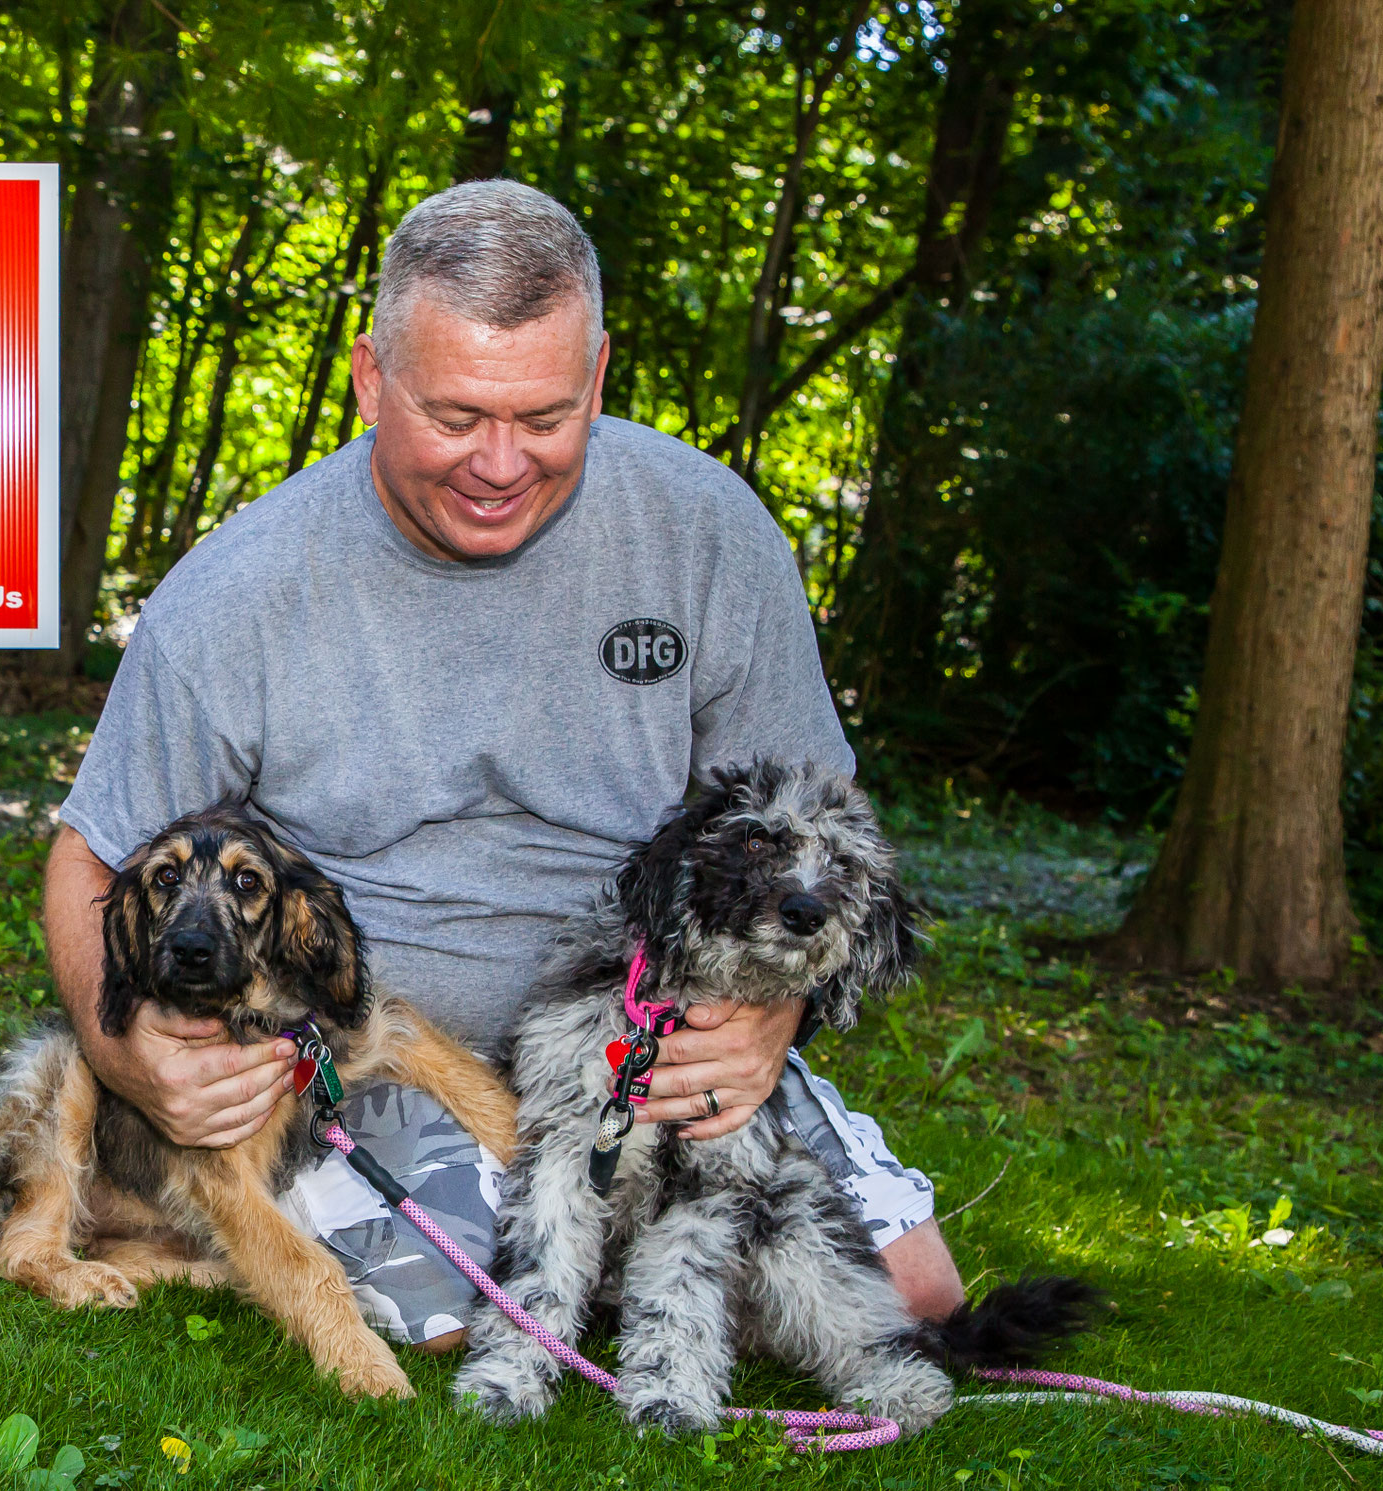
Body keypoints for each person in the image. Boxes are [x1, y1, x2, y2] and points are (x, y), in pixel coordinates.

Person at [47, 179, 964, 1353]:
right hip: (373, 1054)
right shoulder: (239, 591)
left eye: (541, 417)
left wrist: (767, 1012)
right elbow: (88, 852)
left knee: (907, 1306)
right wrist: (131, 1055)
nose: (497, 463)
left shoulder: (709, 534)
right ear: (370, 376)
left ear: (596, 375)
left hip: (637, 1024)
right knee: (470, 1319)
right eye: (455, 415)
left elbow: (816, 822)